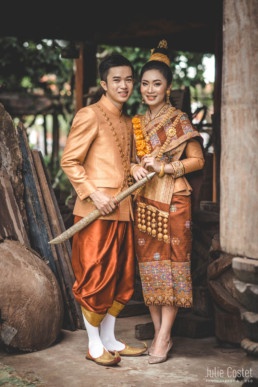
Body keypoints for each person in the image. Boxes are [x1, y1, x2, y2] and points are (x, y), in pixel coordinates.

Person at [61, 54, 147, 366]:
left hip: (124, 209)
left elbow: (120, 161)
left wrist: (136, 167)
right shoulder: (89, 114)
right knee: (95, 278)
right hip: (94, 213)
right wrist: (93, 194)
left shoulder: (128, 121)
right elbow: (70, 161)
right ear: (103, 84)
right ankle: (94, 344)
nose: (124, 85)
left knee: (122, 279)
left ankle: (110, 339)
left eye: (128, 79)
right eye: (117, 80)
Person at [130, 40, 205, 364]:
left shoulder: (179, 120)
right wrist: (134, 166)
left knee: (172, 267)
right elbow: (129, 160)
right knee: (150, 267)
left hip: (174, 199)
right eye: (145, 84)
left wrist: (166, 167)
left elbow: (198, 160)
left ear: (168, 87)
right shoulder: (136, 123)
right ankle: (163, 332)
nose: (150, 89)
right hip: (145, 200)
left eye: (156, 84)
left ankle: (163, 336)